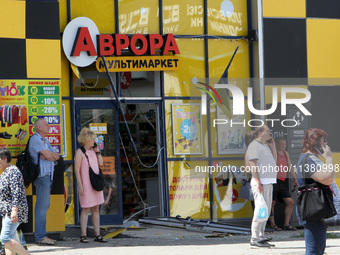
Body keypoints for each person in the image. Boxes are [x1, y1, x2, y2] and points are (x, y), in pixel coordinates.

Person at [296, 128, 335, 255]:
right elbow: (328, 179)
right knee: (314, 250)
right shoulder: (309, 159)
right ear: (315, 142)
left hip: (316, 207)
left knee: (317, 248)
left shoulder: (308, 158)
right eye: (324, 141)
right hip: (314, 207)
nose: (326, 145)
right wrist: (329, 158)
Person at [29, 118, 60, 245]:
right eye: (46, 125)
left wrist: (50, 155)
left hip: (48, 175)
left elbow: (56, 156)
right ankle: (40, 237)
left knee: (44, 206)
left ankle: (41, 235)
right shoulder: (35, 139)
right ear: (39, 127)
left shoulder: (45, 140)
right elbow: (48, 156)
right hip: (42, 177)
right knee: (42, 207)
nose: (49, 126)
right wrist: (49, 155)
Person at [74, 127, 106, 243]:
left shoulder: (93, 151)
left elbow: (101, 163)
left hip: (95, 183)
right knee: (86, 208)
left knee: (96, 208)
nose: (94, 141)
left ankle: (97, 234)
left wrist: (98, 152)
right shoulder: (80, 152)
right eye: (92, 139)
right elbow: (77, 170)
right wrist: (80, 185)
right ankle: (83, 234)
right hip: (86, 183)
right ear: (87, 139)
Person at [248, 125, 277, 248]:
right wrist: (258, 181)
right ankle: (254, 238)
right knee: (260, 209)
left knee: (265, 210)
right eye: (267, 131)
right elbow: (253, 164)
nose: (270, 133)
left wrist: (273, 147)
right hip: (261, 182)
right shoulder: (254, 145)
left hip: (268, 181)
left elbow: (274, 161)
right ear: (260, 133)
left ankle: (261, 235)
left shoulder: (265, 145)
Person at [0, 147, 30, 255]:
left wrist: (14, 210)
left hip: (12, 211)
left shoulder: (12, 171)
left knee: (5, 238)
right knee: (8, 242)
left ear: (4, 159)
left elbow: (16, 193)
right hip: (7, 212)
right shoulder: (5, 173)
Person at [269, 137, 298, 231]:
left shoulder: (286, 154)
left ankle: (286, 224)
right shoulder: (274, 153)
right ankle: (273, 225)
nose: (283, 146)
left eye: (285, 144)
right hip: (273, 180)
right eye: (281, 144)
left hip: (282, 181)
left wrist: (295, 178)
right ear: (277, 144)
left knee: (290, 201)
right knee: (272, 203)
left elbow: (290, 166)